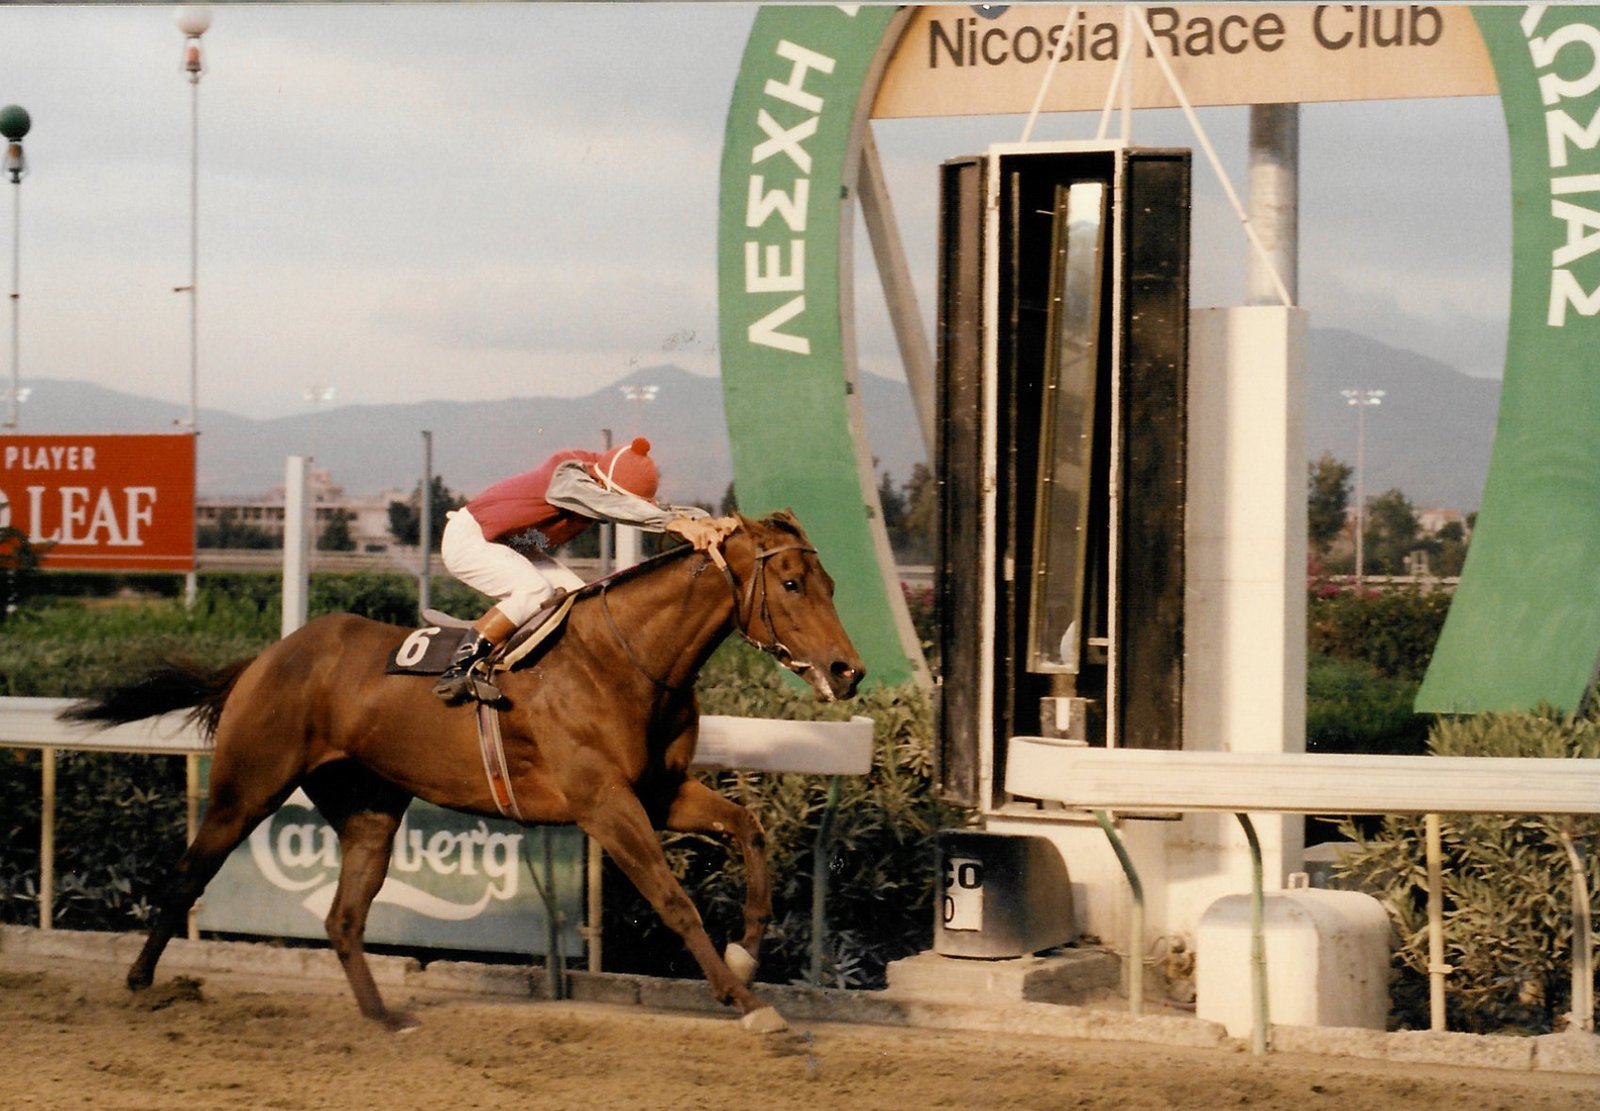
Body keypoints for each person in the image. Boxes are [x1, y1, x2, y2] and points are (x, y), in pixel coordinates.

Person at [432, 436, 733, 704]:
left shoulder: (601, 474)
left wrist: (704, 520)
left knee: (578, 600)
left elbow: (647, 508)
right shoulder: (568, 479)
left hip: (511, 543)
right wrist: (674, 524)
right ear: (603, 486)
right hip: (470, 538)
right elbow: (617, 506)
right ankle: (460, 668)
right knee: (535, 590)